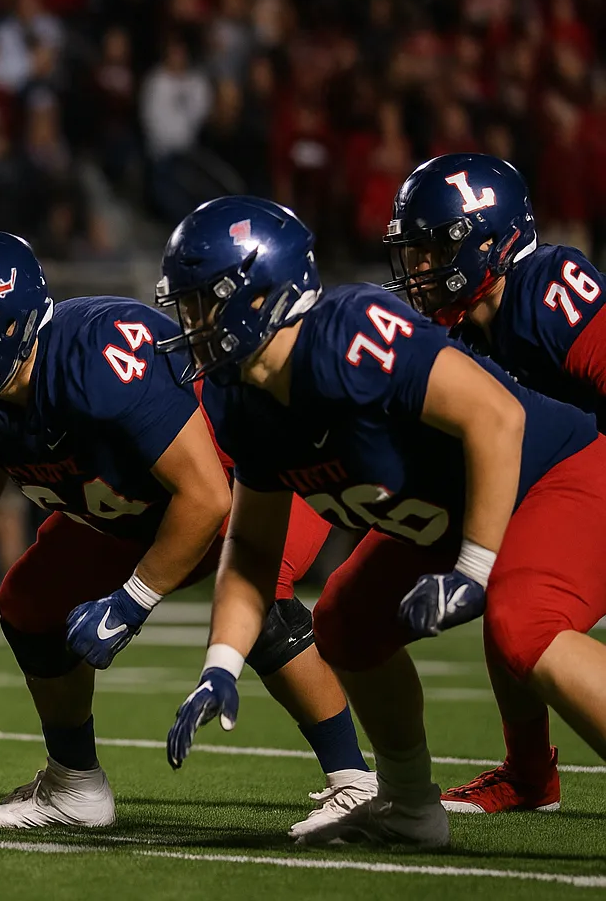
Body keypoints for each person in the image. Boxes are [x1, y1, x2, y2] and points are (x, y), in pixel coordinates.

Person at [0, 230, 373, 834]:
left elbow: (204, 496)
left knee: (255, 598)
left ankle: (354, 782)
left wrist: (132, 601)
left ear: (7, 328)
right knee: (29, 601)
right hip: (137, 507)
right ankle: (75, 785)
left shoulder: (97, 356)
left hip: (241, 477)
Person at [156, 195, 606, 847]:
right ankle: (409, 804)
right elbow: (252, 546)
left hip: (558, 472)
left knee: (523, 624)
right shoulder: (238, 397)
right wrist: (220, 664)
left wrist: (474, 571)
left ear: (260, 296)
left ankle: (524, 773)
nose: (189, 322)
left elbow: (496, 418)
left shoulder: (348, 334)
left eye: (202, 303)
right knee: (345, 621)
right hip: (451, 507)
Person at [384, 152, 603, 814]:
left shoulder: (548, 287)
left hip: (591, 478)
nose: (417, 270)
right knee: (500, 568)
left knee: (522, 606)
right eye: (411, 253)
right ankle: (529, 773)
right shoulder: (454, 329)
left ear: (487, 241)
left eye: (430, 252)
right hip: (553, 483)